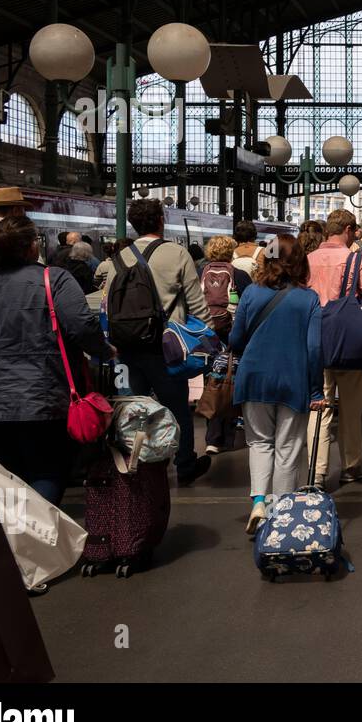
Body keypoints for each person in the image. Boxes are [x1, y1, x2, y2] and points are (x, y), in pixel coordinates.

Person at [0, 216, 110, 511]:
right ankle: (33, 544)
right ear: (32, 247)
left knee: (3, 477)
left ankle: (11, 543)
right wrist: (104, 350)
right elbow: (81, 327)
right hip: (42, 398)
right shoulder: (54, 279)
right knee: (47, 472)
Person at [98, 198, 214, 486]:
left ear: (134, 225)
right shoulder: (176, 253)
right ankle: (184, 464)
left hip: (127, 346)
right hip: (165, 347)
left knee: (133, 408)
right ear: (161, 220)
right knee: (176, 407)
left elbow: (107, 304)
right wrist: (210, 337)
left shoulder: (119, 258)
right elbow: (195, 302)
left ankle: (134, 464)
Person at [229, 235, 324, 535]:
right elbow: (315, 349)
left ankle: (259, 501)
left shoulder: (251, 294)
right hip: (292, 380)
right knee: (288, 448)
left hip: (254, 378)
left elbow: (235, 340)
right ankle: (281, 511)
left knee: (258, 443)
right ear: (299, 261)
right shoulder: (308, 299)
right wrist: (316, 390)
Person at [307, 209, 362, 486]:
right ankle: (352, 465)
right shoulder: (356, 259)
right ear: (348, 230)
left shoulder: (308, 259)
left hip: (316, 341)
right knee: (351, 409)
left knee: (319, 407)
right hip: (349, 343)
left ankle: (317, 471)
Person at [200, 235, 253, 455]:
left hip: (207, 335)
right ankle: (229, 433)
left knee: (211, 383)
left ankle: (212, 438)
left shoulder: (199, 272)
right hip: (232, 335)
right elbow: (250, 304)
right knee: (231, 380)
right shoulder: (239, 275)